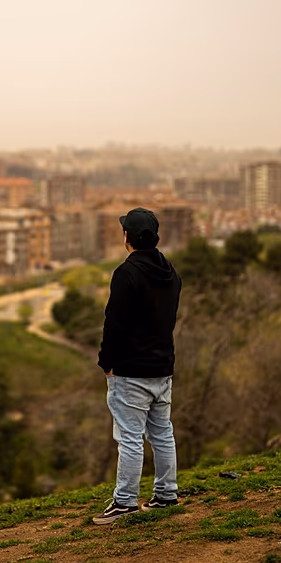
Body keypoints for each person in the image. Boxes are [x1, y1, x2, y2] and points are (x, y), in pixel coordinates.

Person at [93, 207, 182, 525]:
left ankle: (125, 502)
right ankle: (167, 494)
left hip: (130, 370)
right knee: (162, 433)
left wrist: (107, 363)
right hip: (162, 366)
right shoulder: (170, 272)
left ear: (127, 236)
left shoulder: (126, 274)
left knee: (129, 437)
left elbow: (113, 323)